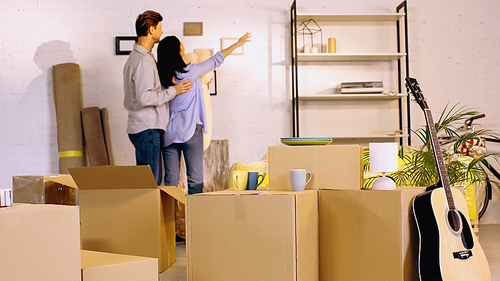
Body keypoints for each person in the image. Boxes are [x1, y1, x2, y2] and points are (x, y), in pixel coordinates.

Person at [157, 32, 251, 194]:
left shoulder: (161, 78)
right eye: (181, 45)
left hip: (169, 133)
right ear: (177, 52)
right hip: (190, 131)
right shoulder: (190, 72)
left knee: (170, 182)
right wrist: (237, 43)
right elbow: (216, 60)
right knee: (195, 180)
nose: (184, 47)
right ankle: (195, 218)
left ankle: (167, 219)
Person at [123, 10, 193, 185]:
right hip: (147, 128)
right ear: (151, 29)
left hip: (144, 128)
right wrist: (174, 91)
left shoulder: (140, 58)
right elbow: (144, 97)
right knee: (151, 183)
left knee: (149, 181)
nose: (162, 31)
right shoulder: (143, 61)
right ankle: (149, 213)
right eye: (160, 27)